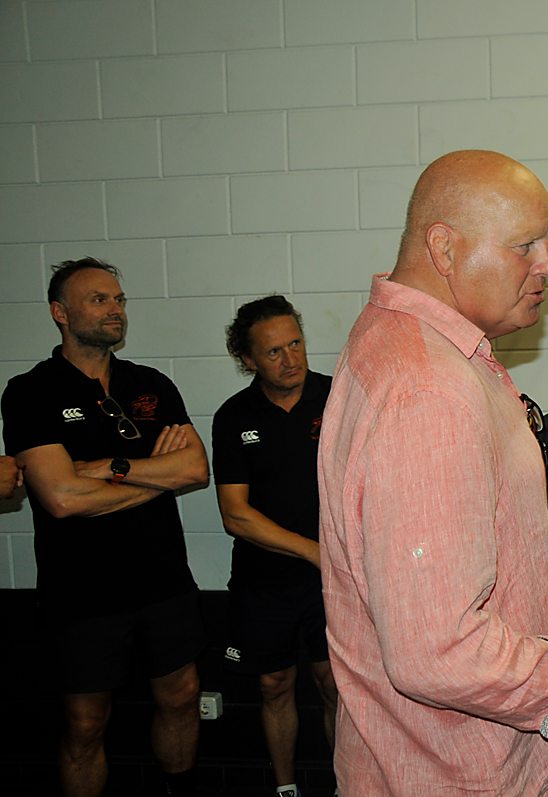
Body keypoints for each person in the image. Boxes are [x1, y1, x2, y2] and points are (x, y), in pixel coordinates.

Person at [316, 149, 548, 796]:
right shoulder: (428, 389)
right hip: (463, 777)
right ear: (444, 249)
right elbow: (437, 650)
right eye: (524, 245)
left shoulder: (416, 347)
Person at [0, 258, 209, 797]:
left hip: (164, 581)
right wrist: (155, 477)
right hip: (82, 593)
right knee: (86, 723)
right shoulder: (31, 391)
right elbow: (62, 498)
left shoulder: (151, 384)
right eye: (98, 300)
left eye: (118, 299)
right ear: (60, 313)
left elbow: (194, 469)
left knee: (182, 696)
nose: (115, 309)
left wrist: (109, 468)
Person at [212, 296, 338, 797]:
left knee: (334, 684)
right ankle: (285, 788)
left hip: (334, 580)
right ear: (247, 359)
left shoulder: (337, 395)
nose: (290, 359)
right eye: (273, 352)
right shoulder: (233, 416)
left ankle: (344, 785)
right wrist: (311, 551)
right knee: (273, 684)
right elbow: (235, 515)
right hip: (263, 582)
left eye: (296, 344)